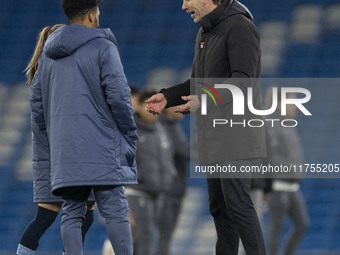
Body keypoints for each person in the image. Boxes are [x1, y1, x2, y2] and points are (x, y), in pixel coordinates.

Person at [146, 0, 267, 254]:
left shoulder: (240, 26)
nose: (183, 6)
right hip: (212, 136)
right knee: (220, 210)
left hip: (236, 133)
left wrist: (206, 99)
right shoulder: (204, 32)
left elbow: (244, 82)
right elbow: (197, 83)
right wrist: (167, 97)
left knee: (238, 205)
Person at [30, 0, 137, 254]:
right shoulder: (103, 47)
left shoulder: (46, 55)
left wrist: (55, 138)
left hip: (65, 150)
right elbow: (119, 97)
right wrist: (130, 133)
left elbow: (36, 105)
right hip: (102, 146)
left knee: (72, 211)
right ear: (92, 14)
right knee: (116, 212)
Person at [17, 24, 95, 255]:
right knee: (73, 214)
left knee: (58, 215)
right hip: (64, 157)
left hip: (55, 157)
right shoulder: (56, 75)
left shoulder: (45, 73)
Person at [127, 90, 176, 255]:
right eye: (149, 105)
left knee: (148, 235)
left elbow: (167, 159)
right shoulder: (130, 129)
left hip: (157, 191)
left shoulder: (160, 129)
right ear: (139, 106)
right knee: (143, 233)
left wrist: (169, 177)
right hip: (136, 190)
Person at [265, 87, 309, 255]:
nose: (295, 106)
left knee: (302, 224)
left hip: (292, 185)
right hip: (278, 185)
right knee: (277, 228)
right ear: (278, 104)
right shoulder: (271, 125)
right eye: (292, 102)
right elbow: (269, 157)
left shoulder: (287, 125)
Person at [155, 107, 190, 255]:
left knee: (167, 234)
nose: (183, 110)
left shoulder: (174, 126)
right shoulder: (161, 126)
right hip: (166, 188)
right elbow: (184, 151)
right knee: (164, 233)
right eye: (179, 106)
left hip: (177, 188)